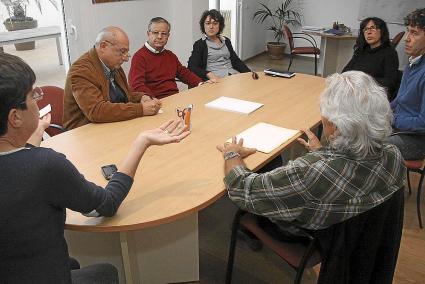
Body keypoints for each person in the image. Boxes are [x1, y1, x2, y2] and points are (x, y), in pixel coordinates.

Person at [0, 53, 190, 283]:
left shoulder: (29, 161)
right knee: (106, 272)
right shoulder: (44, 166)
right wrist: (142, 142)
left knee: (74, 263)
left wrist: (32, 139)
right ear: (15, 117)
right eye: (33, 95)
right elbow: (106, 204)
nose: (38, 99)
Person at [217, 71, 405, 236]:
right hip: (360, 238)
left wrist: (231, 154)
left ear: (335, 125)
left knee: (269, 165)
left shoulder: (312, 173)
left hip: (306, 234)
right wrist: (323, 153)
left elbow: (243, 189)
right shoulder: (394, 155)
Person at [63, 26, 161, 130]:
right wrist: (140, 109)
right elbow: (96, 111)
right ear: (103, 46)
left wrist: (141, 97)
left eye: (126, 52)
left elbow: (125, 95)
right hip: (84, 131)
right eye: (122, 51)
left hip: (111, 124)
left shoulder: (112, 64)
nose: (125, 58)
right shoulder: (81, 71)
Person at [128, 17, 203, 99]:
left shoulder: (170, 55)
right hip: (154, 102)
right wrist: (153, 100)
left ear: (168, 36)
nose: (160, 37)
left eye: (164, 33)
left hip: (174, 98)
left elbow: (184, 73)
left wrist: (201, 84)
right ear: (148, 34)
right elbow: (136, 85)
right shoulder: (139, 57)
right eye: (155, 33)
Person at [389, 8, 425, 160]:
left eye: (414, 33)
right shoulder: (414, 61)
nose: (407, 38)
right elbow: (400, 99)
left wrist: (392, 118)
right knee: (355, 131)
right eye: (408, 31)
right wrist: (381, 110)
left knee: (364, 144)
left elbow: (422, 123)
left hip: (416, 140)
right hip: (400, 128)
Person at [342, 17, 399, 100]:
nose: (368, 32)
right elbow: (345, 71)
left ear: (381, 31)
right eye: (365, 29)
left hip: (372, 96)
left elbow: (390, 82)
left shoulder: (389, 53)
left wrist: (363, 80)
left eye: (372, 28)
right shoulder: (361, 50)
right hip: (354, 91)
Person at [188, 9, 251, 82]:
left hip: (233, 75)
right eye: (208, 23)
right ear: (203, 25)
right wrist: (208, 73)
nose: (211, 27)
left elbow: (236, 61)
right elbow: (191, 67)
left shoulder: (226, 41)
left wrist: (249, 73)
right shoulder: (200, 44)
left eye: (215, 23)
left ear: (220, 25)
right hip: (216, 80)